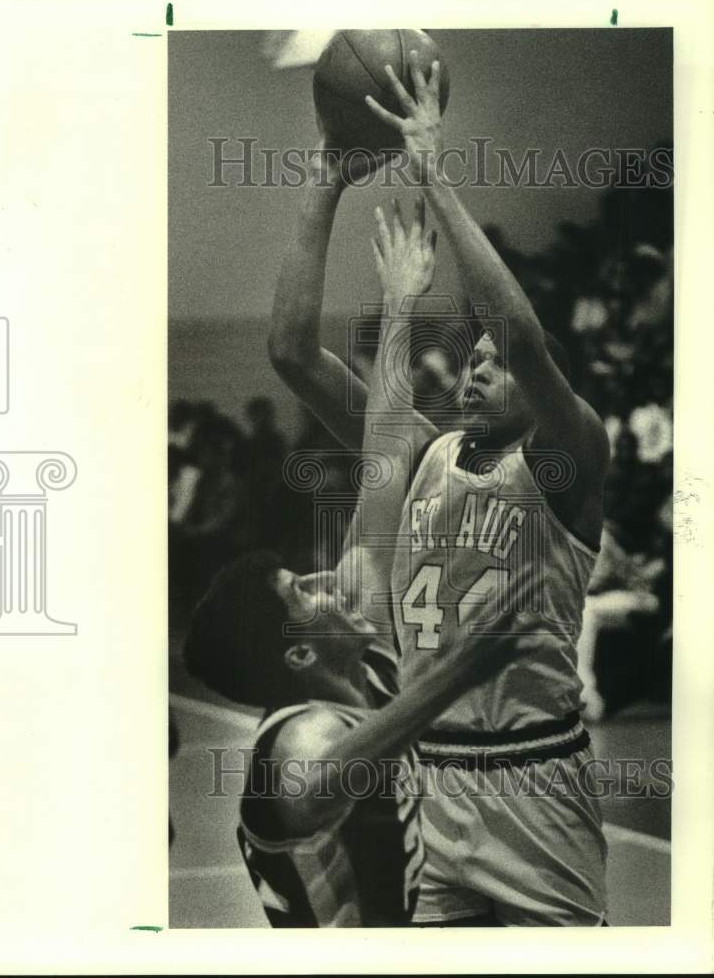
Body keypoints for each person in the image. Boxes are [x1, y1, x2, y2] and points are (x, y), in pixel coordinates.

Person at [270, 59, 609, 924]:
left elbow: (524, 336)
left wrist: (431, 172)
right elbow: (292, 354)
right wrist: (324, 181)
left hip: (536, 778)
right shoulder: (420, 455)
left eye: (492, 367)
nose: (473, 371)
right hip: (435, 780)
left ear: (541, 398)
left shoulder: (567, 463)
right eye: (468, 361)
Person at [186, 214, 516, 927]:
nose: (320, 576)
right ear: (300, 650)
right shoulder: (300, 741)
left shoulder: (354, 665)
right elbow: (338, 767)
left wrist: (400, 301)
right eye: (300, 589)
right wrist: (462, 669)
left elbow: (386, 458)